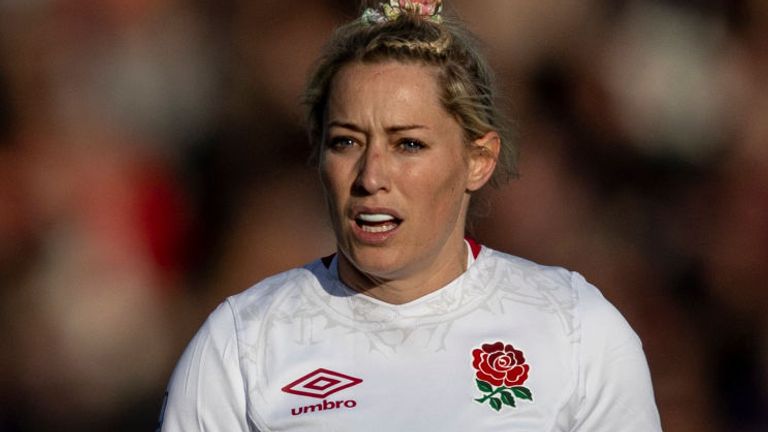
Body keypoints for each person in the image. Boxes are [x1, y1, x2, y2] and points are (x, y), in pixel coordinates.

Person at [158, 1, 663, 430]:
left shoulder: (576, 329)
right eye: (346, 142)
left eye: (409, 144)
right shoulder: (242, 343)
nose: (371, 175)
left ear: (478, 160)